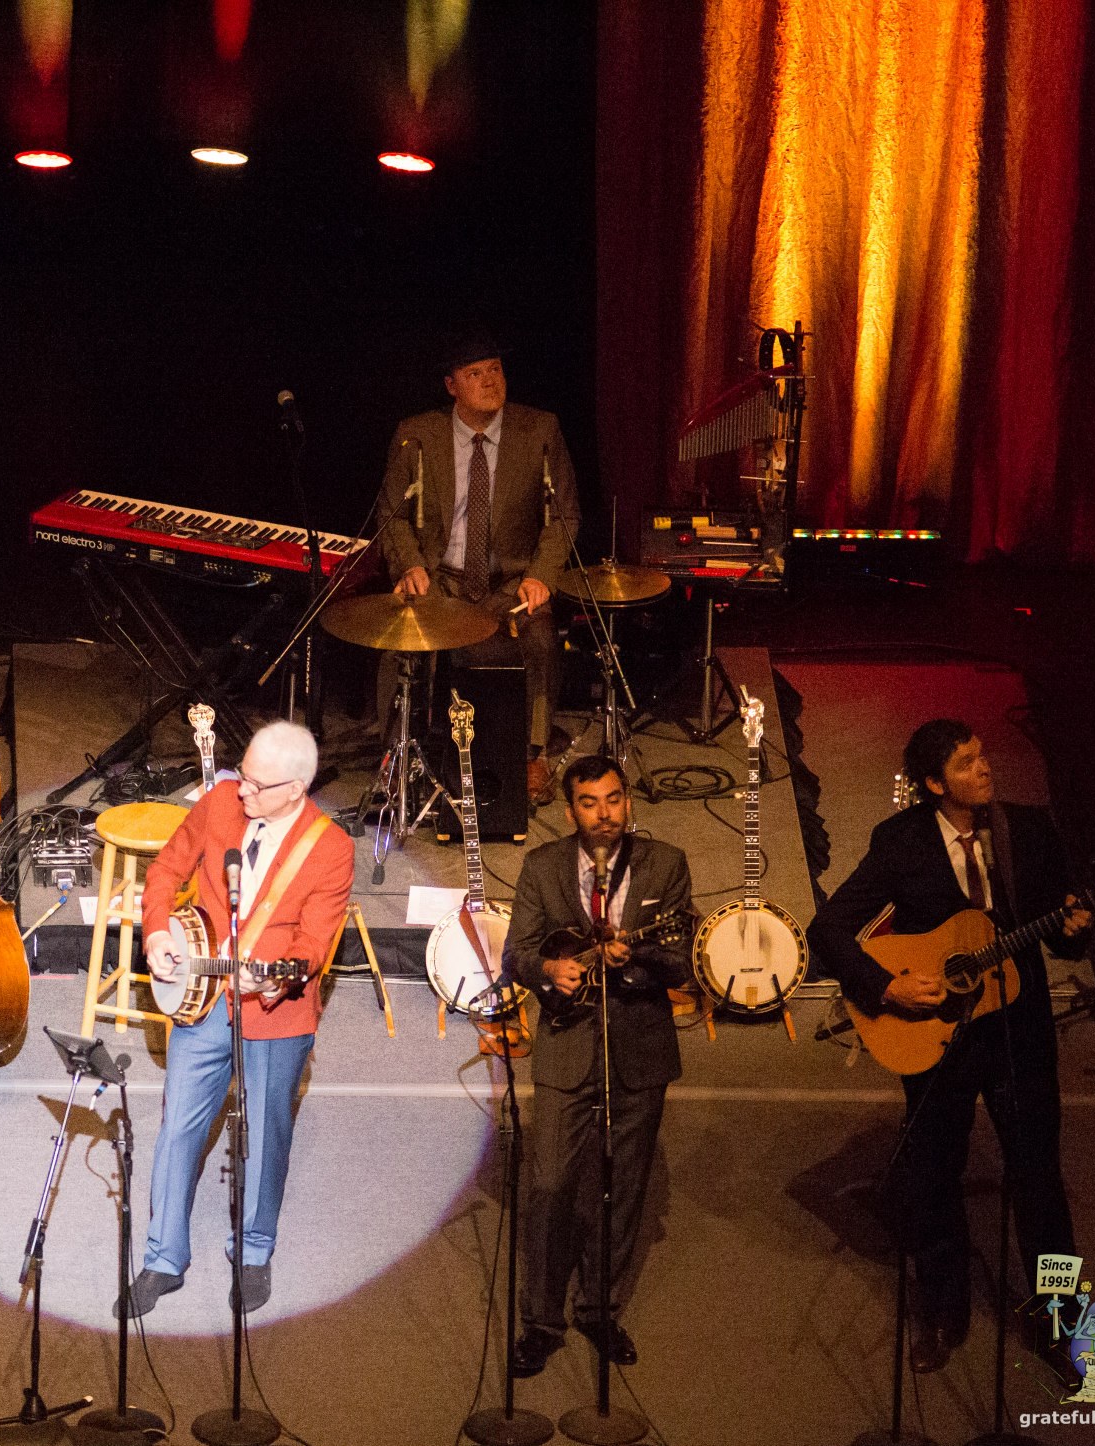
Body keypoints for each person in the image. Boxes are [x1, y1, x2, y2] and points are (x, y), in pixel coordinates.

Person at [807, 720, 1090, 1374]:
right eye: (966, 763)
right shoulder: (901, 843)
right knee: (935, 1172)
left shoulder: (1028, 832)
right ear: (935, 784)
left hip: (1018, 1031)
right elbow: (831, 928)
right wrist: (887, 986)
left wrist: (1077, 929)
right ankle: (945, 1306)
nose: (984, 768)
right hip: (937, 1036)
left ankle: (1060, 1324)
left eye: (982, 755)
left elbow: (1061, 937)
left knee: (1039, 1178)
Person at [118, 720, 354, 1317]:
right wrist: (156, 935)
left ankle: (253, 1250)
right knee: (178, 1128)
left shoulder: (330, 848)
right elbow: (167, 870)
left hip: (276, 1011)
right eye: (241, 775)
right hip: (201, 996)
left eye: (255, 783)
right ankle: (163, 1258)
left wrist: (271, 977)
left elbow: (314, 945)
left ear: (296, 788)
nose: (239, 790)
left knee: (265, 1133)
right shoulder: (221, 800)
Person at [501, 754, 692, 1377]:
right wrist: (549, 970)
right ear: (571, 811)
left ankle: (599, 1309)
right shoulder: (543, 867)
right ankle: (541, 1320)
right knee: (550, 1184)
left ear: (628, 801)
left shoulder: (666, 863)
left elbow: (681, 958)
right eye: (590, 803)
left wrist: (632, 963)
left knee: (623, 1185)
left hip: (639, 1045)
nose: (605, 814)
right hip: (564, 1041)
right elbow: (518, 953)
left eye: (614, 800)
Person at [376, 331, 579, 804]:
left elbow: (565, 514)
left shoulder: (540, 429)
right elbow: (393, 516)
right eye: (475, 374)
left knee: (540, 638)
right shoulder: (417, 435)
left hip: (510, 581)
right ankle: (393, 757)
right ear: (451, 385)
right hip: (442, 578)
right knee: (396, 640)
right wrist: (409, 566)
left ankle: (532, 756)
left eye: (495, 370)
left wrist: (541, 575)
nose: (490, 381)